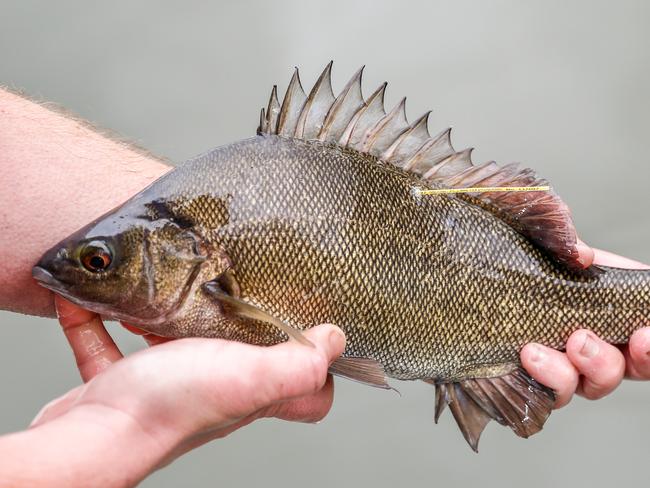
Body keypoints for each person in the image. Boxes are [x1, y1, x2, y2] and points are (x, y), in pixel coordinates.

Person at [0, 87, 648, 486]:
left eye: (96, 261)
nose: (70, 271)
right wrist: (114, 436)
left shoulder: (205, 242)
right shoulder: (198, 230)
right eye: (98, 262)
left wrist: (586, 281)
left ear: (191, 252)